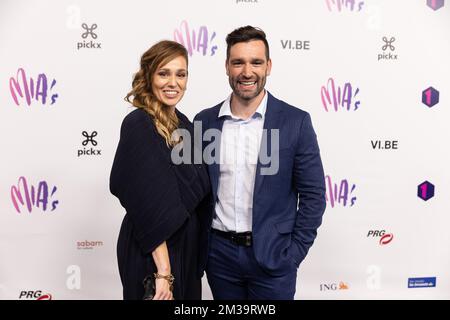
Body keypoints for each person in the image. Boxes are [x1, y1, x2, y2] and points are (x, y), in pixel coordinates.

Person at [194, 26, 326, 300]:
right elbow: (195, 192)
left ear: (268, 66)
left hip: (274, 259)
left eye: (256, 62)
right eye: (238, 62)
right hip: (219, 259)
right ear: (227, 67)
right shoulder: (204, 122)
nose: (247, 72)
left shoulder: (295, 122)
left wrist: (293, 254)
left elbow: (314, 196)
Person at [110, 40, 210, 300]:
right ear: (149, 76)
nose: (173, 82)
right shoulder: (138, 124)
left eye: (181, 74)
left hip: (185, 248)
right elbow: (147, 205)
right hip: (154, 250)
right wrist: (164, 271)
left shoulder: (186, 126)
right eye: (163, 73)